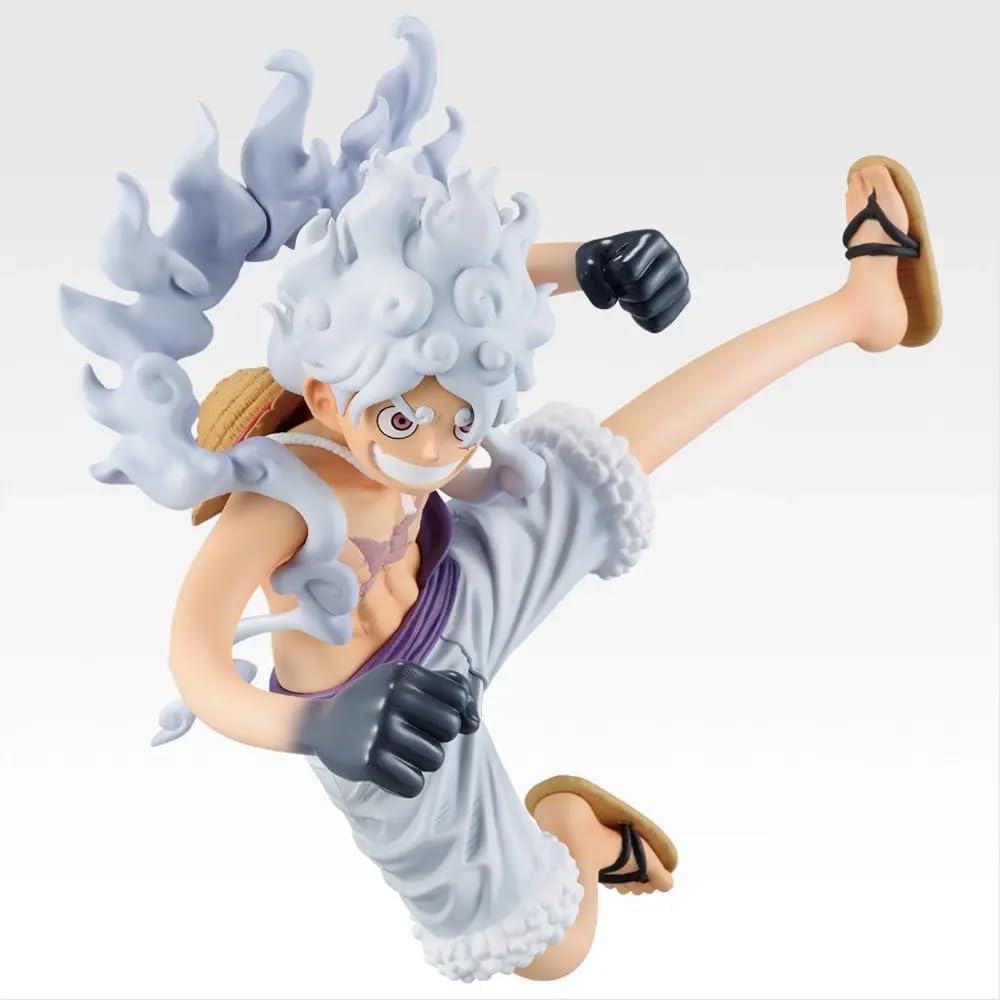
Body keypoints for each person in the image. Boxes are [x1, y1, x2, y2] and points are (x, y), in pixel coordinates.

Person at [62, 17, 941, 985]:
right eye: (402, 422)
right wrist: (320, 729)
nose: (432, 453)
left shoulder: (422, 392)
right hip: (390, 718)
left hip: (460, 579)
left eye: (465, 421)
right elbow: (195, 659)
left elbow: (468, 280)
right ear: (324, 394)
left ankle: (859, 309)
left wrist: (586, 264)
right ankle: (571, 830)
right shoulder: (283, 497)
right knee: (550, 951)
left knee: (611, 461)